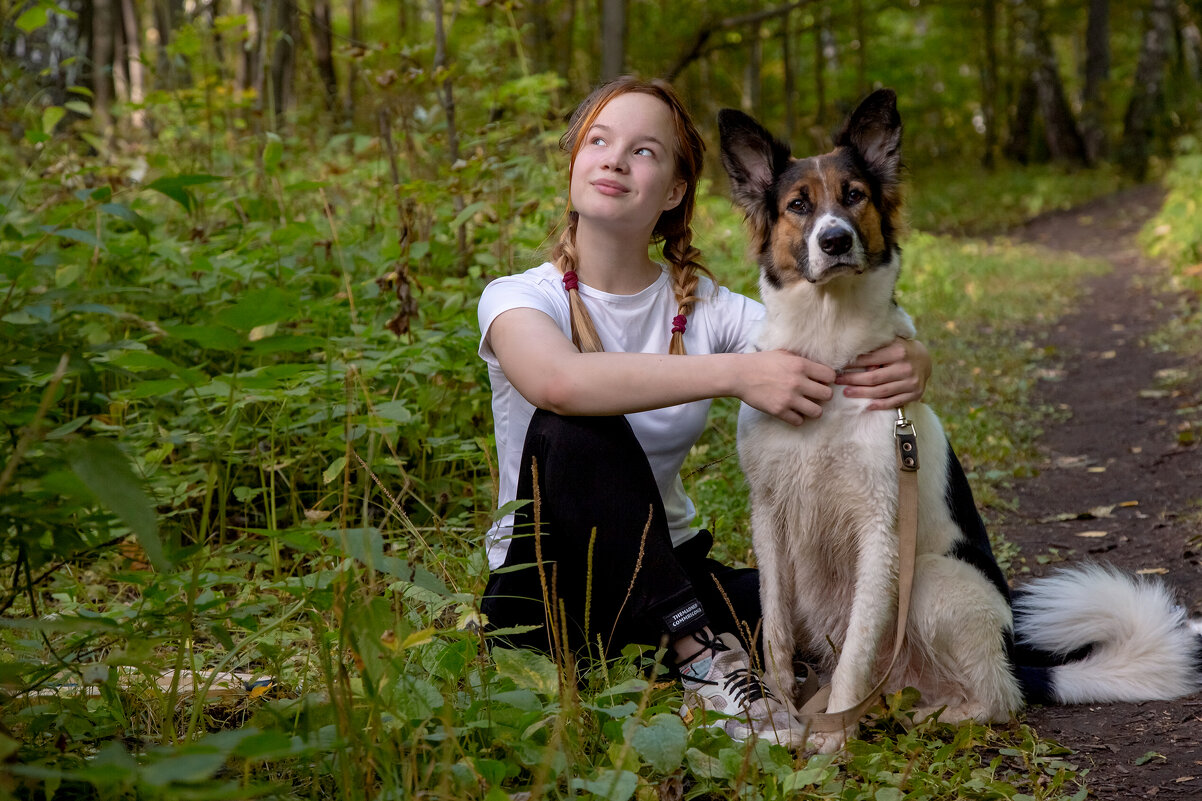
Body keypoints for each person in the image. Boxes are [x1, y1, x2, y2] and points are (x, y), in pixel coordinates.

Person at [475, 76, 929, 746]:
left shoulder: (703, 306)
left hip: (669, 568)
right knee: (576, 422)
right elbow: (560, 382)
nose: (614, 159)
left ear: (677, 189)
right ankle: (702, 655)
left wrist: (915, 355)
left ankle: (983, 643)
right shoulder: (519, 297)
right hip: (549, 585)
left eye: (643, 151)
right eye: (598, 140)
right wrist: (739, 374)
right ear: (574, 161)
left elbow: (823, 344)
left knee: (887, 466)